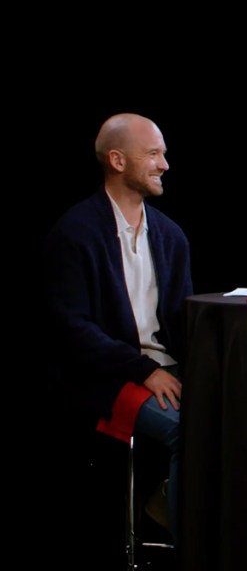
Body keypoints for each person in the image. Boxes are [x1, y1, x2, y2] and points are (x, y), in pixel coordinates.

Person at [45, 113, 191, 544]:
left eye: (163, 154)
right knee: (189, 428)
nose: (164, 164)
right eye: (153, 153)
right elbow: (72, 331)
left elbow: (182, 322)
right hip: (107, 377)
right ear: (117, 160)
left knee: (241, 414)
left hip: (166, 367)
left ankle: (169, 501)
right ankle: (192, 547)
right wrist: (144, 369)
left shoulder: (170, 236)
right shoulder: (74, 233)